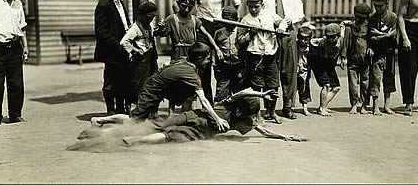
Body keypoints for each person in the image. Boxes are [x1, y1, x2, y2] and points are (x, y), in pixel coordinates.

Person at [68, 88, 305, 151]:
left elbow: (243, 93)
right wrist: (285, 136)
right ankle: (132, 140)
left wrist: (259, 94)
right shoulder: (246, 118)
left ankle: (105, 127)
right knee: (169, 137)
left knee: (155, 124)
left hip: (191, 115)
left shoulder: (233, 104)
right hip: (200, 130)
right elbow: (264, 131)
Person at [89, 42, 229, 132]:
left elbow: (167, 65)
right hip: (152, 90)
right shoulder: (191, 74)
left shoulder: (184, 61)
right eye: (207, 58)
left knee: (143, 121)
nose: (209, 61)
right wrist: (217, 119)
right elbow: (204, 100)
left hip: (156, 88)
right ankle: (99, 122)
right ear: (199, 59)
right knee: (135, 121)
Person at [179, 0, 242, 105]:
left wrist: (230, 21)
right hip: (202, 27)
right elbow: (178, 3)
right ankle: (207, 105)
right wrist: (187, 21)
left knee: (223, 67)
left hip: (221, 27)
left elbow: (237, 4)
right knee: (204, 68)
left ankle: (224, 102)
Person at [259, 0, 305, 120]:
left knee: (289, 70)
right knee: (270, 71)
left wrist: (288, 20)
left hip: (289, 33)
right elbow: (261, 12)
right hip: (270, 33)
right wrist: (276, 20)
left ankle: (288, 106)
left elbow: (300, 12)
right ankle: (269, 107)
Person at [237, 0, 287, 124]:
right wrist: (250, 35)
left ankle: (271, 112)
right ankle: (257, 115)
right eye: (251, 7)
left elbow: (282, 22)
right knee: (256, 86)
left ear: (262, 5)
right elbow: (240, 40)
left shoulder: (269, 14)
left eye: (256, 7)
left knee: (273, 85)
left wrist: (281, 28)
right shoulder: (245, 20)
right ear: (247, 6)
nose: (253, 9)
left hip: (270, 54)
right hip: (254, 56)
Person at [94, 0, 131, 115]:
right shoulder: (103, 4)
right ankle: (110, 110)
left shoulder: (120, 1)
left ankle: (120, 108)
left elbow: (124, 23)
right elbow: (101, 31)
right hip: (111, 51)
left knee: (122, 80)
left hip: (121, 49)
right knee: (110, 82)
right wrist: (118, 44)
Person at [156, 0, 223, 63]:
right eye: (184, 6)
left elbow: (207, 35)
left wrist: (217, 49)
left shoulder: (194, 20)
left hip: (193, 54)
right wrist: (160, 28)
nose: (187, 9)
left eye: (190, 7)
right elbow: (160, 34)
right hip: (178, 55)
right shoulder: (172, 19)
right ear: (178, 4)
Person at [120, 1, 159, 107]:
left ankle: (148, 108)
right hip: (140, 61)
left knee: (151, 82)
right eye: (148, 17)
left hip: (150, 58)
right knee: (138, 85)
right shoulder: (135, 28)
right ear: (141, 15)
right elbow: (124, 42)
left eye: (152, 18)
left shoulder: (148, 26)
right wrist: (135, 50)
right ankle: (133, 108)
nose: (150, 20)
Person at [369, 0, 398, 115]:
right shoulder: (372, 18)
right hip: (377, 53)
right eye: (375, 6)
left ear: (387, 4)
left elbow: (394, 35)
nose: (378, 8)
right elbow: (371, 36)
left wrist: (379, 35)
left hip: (389, 52)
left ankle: (387, 105)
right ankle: (375, 107)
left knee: (389, 78)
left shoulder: (393, 17)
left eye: (380, 6)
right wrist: (385, 35)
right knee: (376, 78)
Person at [341, 3, 372, 115]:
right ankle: (354, 104)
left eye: (362, 17)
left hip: (366, 58)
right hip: (353, 58)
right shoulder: (350, 28)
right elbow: (346, 43)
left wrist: (371, 48)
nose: (359, 19)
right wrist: (343, 57)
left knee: (365, 82)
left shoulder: (370, 27)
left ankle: (364, 105)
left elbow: (373, 40)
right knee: (353, 83)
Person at [309, 23, 344, 116]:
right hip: (318, 63)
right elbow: (310, 42)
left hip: (329, 63)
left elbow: (344, 26)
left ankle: (322, 106)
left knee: (336, 87)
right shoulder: (321, 41)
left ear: (338, 36)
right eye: (329, 37)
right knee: (326, 85)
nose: (331, 40)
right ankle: (322, 109)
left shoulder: (342, 39)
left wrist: (341, 59)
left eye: (333, 37)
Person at [213, 6, 246, 103]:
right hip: (224, 66)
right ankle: (222, 113)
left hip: (238, 65)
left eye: (231, 22)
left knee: (238, 92)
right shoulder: (219, 32)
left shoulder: (241, 31)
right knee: (221, 92)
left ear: (236, 20)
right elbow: (214, 49)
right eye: (226, 22)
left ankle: (238, 114)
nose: (229, 24)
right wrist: (214, 64)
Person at [296, 25, 314, 116]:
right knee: (291, 90)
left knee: (304, 89)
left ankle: (305, 108)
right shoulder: (294, 46)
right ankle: (288, 107)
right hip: (294, 71)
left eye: (306, 39)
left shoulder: (310, 48)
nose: (303, 41)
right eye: (301, 38)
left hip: (305, 72)